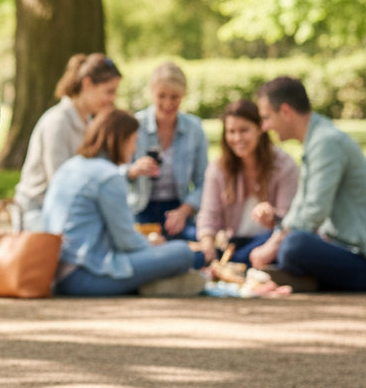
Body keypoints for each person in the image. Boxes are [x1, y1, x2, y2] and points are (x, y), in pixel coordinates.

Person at [43, 109, 199, 296]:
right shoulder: (108, 176)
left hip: (54, 271)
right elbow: (125, 240)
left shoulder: (71, 166)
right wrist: (152, 246)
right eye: (134, 140)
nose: (134, 149)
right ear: (121, 139)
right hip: (84, 275)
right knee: (183, 252)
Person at [248, 77, 366, 291]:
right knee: (275, 238)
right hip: (338, 244)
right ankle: (302, 277)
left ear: (285, 111)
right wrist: (275, 238)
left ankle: (305, 279)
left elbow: (314, 211)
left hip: (358, 254)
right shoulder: (315, 140)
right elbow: (299, 209)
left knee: (293, 246)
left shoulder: (326, 142)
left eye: (266, 118)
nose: (264, 127)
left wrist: (274, 245)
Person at [11, 54, 149, 230]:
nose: (113, 98)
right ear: (87, 84)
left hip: (66, 210)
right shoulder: (58, 122)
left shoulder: (89, 123)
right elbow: (60, 183)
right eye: (109, 91)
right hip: (39, 213)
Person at [195, 99, 299, 267]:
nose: (237, 138)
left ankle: (232, 264)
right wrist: (207, 244)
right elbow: (208, 214)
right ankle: (227, 264)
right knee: (192, 249)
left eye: (244, 130)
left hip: (270, 242)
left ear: (260, 128)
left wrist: (272, 217)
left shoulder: (284, 166)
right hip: (235, 243)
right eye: (231, 131)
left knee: (289, 245)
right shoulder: (218, 168)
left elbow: (289, 222)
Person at [129, 62, 208, 241]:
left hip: (178, 207)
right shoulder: (135, 126)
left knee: (197, 250)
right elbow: (114, 173)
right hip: (140, 207)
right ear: (151, 93)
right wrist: (134, 170)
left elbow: (204, 182)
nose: (168, 103)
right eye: (161, 96)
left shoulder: (194, 129)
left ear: (183, 95)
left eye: (175, 97)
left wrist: (185, 211)